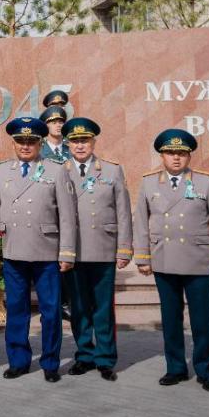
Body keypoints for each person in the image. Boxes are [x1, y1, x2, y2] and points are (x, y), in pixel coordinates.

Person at [134, 129, 209, 394]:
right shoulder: (149, 183)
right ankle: (176, 367)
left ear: (189, 156)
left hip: (197, 261)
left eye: (181, 153)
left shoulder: (206, 182)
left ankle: (205, 370)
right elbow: (141, 222)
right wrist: (142, 257)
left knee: (202, 320)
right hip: (164, 260)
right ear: (162, 156)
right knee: (170, 318)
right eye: (170, 153)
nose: (176, 158)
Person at [0, 117, 77, 382]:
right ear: (13, 143)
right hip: (14, 251)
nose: (25, 146)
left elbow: (67, 215)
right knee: (16, 309)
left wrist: (67, 252)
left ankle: (50, 362)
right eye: (20, 141)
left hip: (46, 252)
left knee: (50, 311)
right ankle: (18, 360)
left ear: (40, 143)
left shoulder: (56, 170)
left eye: (31, 141)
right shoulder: (1, 171)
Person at [61, 118, 131, 381]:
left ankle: (105, 358)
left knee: (103, 307)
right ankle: (84, 355)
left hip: (103, 248)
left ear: (93, 142)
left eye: (85, 140)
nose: (80, 146)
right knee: (78, 308)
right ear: (68, 144)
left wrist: (124, 248)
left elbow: (123, 212)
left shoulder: (112, 171)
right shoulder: (60, 171)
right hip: (73, 252)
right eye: (75, 141)